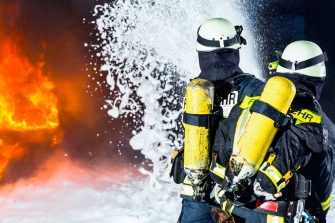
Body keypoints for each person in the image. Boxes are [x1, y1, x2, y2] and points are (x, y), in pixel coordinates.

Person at [212, 40, 334, 223]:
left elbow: (219, 157)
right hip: (278, 216)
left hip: (231, 212)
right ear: (318, 77)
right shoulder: (320, 125)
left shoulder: (249, 104)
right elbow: (322, 189)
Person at [170, 17, 264, 223]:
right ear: (235, 51)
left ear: (202, 54)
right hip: (239, 199)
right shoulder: (257, 90)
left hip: (197, 193)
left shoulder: (196, 92)